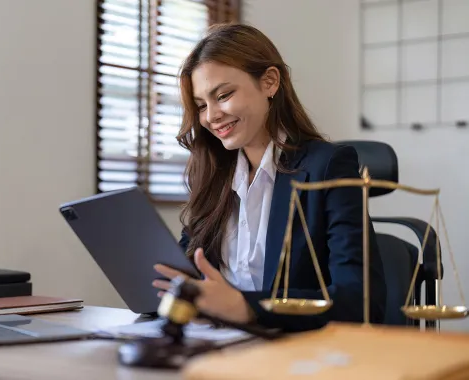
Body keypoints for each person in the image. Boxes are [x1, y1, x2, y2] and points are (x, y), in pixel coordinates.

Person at [152, 23, 387, 332]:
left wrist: (245, 307)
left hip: (295, 353)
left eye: (223, 95)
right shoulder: (214, 174)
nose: (211, 116)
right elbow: (190, 272)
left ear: (270, 82)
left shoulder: (327, 165)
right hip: (215, 343)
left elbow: (361, 300)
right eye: (200, 106)